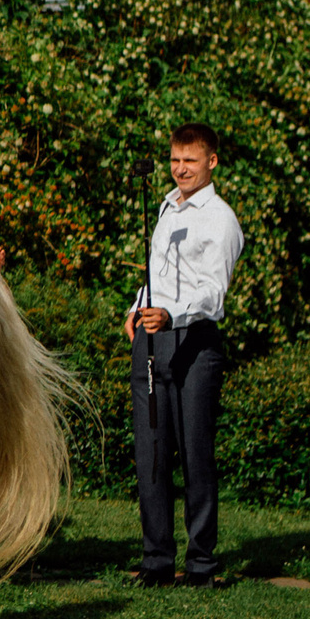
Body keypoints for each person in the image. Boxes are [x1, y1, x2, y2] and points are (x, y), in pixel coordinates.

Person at [126, 123, 244, 587]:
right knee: (151, 453)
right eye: (175, 160)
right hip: (151, 338)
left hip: (194, 343)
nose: (180, 170)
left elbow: (214, 294)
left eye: (190, 161)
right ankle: (156, 561)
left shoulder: (220, 219)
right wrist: (137, 307)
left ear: (211, 162)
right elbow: (159, 272)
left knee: (195, 455)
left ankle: (200, 564)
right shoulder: (167, 208)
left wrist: (170, 315)